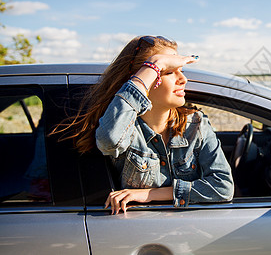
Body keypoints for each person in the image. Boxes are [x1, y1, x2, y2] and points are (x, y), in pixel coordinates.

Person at [62, 35, 234, 214]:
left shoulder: (196, 123)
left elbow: (223, 187)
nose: (183, 79)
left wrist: (150, 194)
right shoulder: (125, 129)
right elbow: (109, 139)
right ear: (146, 80)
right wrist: (154, 65)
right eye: (169, 71)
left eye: (181, 70)